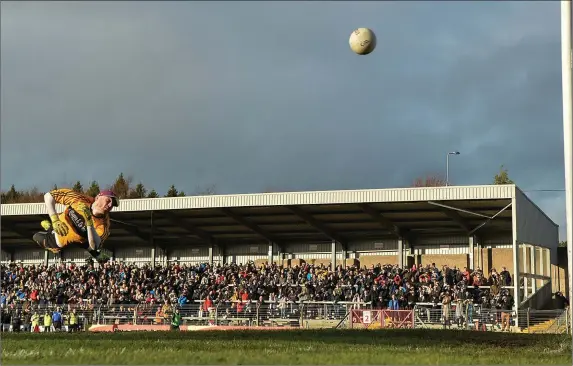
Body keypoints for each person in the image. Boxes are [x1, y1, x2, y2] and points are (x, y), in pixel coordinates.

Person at [32, 188, 119, 263]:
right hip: (59, 223)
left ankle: (95, 254)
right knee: (36, 236)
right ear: (97, 197)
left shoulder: (104, 225)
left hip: (66, 239)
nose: (110, 205)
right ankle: (50, 227)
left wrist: (89, 222)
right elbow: (48, 196)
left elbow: (95, 245)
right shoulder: (80, 199)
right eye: (108, 200)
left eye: (113, 205)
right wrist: (54, 219)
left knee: (37, 236)